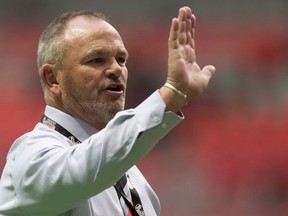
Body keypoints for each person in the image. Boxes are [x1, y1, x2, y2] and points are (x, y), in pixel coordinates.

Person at [0, 6, 215, 216]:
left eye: (121, 60)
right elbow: (84, 168)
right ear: (52, 78)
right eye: (96, 60)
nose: (116, 70)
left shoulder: (135, 182)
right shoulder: (30, 158)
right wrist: (170, 96)